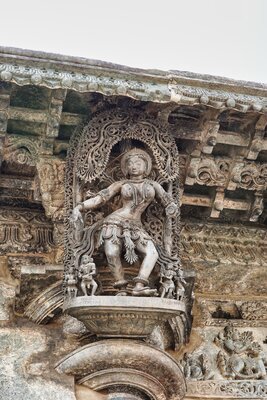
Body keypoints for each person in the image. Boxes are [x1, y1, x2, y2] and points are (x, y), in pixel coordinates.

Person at [72, 148, 178, 296]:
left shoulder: (153, 185)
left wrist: (171, 208)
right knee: (111, 252)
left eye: (138, 163)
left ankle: (139, 285)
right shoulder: (121, 184)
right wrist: (80, 206)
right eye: (130, 163)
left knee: (152, 253)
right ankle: (121, 287)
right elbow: (101, 199)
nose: (133, 166)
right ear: (126, 168)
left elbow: (167, 201)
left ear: (146, 166)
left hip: (136, 225)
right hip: (115, 221)